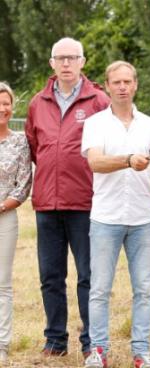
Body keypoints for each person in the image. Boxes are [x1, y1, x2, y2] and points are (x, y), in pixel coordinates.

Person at [81, 61, 150, 368]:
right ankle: (98, 351)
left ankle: (141, 351)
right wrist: (127, 160)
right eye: (117, 82)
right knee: (100, 289)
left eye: (128, 81)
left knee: (143, 289)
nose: (123, 87)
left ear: (135, 85)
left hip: (142, 219)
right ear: (108, 86)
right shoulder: (96, 123)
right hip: (106, 218)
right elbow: (95, 163)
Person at [24, 37, 110, 358]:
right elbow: (36, 148)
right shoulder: (36, 103)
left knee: (89, 276)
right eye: (60, 58)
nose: (66, 64)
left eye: (72, 58)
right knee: (50, 276)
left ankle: (91, 342)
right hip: (46, 204)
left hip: (87, 203)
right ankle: (55, 341)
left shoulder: (99, 101)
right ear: (51, 64)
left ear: (83, 62)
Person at [0, 82, 32, 362]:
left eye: (6, 103)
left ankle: (1, 343)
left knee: (2, 283)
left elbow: (22, 186)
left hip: (4, 218)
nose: (2, 108)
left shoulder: (20, 142)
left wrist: (1, 206)